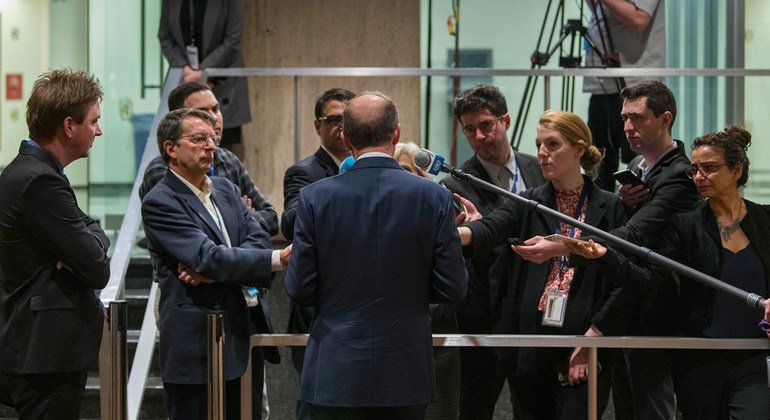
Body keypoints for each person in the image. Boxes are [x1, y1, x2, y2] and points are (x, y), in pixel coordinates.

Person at [284, 92, 468, 420]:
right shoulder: (434, 198)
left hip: (334, 372)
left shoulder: (314, 198)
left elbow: (300, 289)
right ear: (395, 134)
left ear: (345, 135)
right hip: (406, 373)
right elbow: (452, 288)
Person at [566, 125, 770, 419]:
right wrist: (604, 255)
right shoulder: (684, 225)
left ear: (736, 170)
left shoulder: (765, 220)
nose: (698, 177)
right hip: (698, 358)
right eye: (694, 170)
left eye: (709, 168)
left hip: (753, 356)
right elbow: (647, 279)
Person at [459, 110, 626, 419]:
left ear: (578, 149)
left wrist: (594, 336)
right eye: (538, 145)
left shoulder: (611, 205)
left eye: (552, 144)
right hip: (532, 344)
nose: (542, 154)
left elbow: (621, 281)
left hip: (584, 341)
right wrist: (459, 234)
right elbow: (491, 228)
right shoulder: (528, 200)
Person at [139, 81, 278, 419]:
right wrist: (271, 259)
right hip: (196, 337)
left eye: (212, 139)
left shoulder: (226, 187)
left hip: (240, 325)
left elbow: (261, 231)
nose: (210, 145)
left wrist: (221, 265)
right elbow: (207, 256)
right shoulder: (161, 196)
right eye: (198, 139)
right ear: (171, 148)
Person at [0, 69, 110, 419]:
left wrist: (89, 237)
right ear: (68, 126)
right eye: (93, 121)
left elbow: (90, 231)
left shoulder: (33, 172)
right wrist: (89, 243)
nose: (99, 130)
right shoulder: (40, 181)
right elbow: (96, 266)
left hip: (40, 351)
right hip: (43, 355)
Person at [440, 84, 545, 419]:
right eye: (470, 130)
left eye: (486, 125)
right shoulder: (455, 184)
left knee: (533, 408)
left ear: (506, 121)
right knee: (474, 408)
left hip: (535, 314)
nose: (479, 136)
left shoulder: (541, 170)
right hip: (482, 316)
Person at [281, 87, 355, 377]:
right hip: (317, 311)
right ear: (318, 125)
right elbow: (290, 221)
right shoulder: (304, 172)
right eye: (334, 119)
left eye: (348, 120)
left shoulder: (372, 170)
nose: (342, 127)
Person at [395, 141, 462, 420]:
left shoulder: (440, 209)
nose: (402, 179)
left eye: (407, 170)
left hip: (437, 338)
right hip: (393, 344)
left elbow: (453, 282)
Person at [583, 0, 665, 191]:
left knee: (639, 160)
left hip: (636, 84)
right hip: (602, 82)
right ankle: (599, 217)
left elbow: (639, 17)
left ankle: (639, 213)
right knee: (598, 160)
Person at [158, 0, 250, 151]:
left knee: (220, 149)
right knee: (183, 142)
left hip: (222, 83)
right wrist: (184, 68)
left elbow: (232, 39)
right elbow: (164, 37)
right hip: (183, 79)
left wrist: (203, 72)